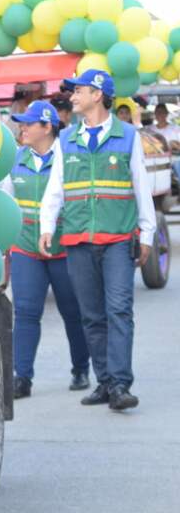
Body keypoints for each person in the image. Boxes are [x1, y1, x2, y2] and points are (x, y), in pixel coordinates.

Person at [40, 69, 156, 411]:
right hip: (77, 239)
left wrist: (146, 232)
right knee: (91, 315)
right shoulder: (66, 140)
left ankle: (121, 383)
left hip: (118, 238)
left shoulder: (128, 137)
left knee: (119, 309)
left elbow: (141, 186)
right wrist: (48, 225)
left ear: (97, 94)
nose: (72, 96)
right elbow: (55, 188)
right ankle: (105, 382)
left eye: (79, 91)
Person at [4, 101, 89, 399]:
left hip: (65, 249)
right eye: (21, 123)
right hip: (26, 248)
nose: (22, 128)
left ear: (47, 127)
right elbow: (6, 204)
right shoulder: (14, 160)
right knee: (26, 313)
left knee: (72, 312)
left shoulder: (69, 159)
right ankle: (22, 377)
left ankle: (81, 368)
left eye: (28, 124)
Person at [150, 103, 180, 180]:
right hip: (154, 159)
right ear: (155, 114)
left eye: (162, 112)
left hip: (174, 159)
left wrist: (174, 145)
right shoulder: (149, 130)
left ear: (167, 114)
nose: (160, 114)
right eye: (158, 112)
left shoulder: (176, 128)